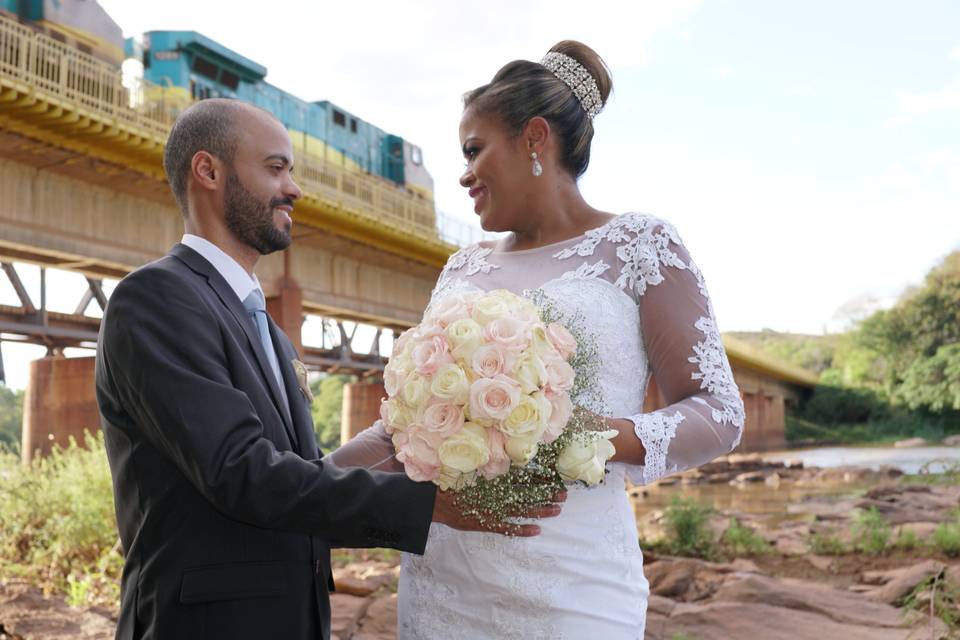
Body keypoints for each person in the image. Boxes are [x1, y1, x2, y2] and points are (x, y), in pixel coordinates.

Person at [95, 99, 558, 640]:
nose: (294, 188)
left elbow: (300, 472)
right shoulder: (155, 298)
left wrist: (413, 436)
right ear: (209, 171)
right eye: (275, 168)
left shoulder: (266, 328)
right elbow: (242, 474)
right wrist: (432, 506)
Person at [328, 41, 746, 637]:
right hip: (442, 587)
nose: (464, 173)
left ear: (534, 139)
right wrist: (298, 486)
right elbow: (406, 428)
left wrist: (577, 432)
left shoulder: (640, 245)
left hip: (571, 591)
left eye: (474, 150)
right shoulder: (460, 268)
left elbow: (719, 413)